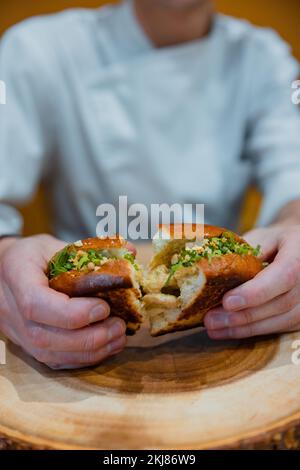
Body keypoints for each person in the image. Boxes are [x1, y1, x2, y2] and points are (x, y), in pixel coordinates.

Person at [0, 0, 300, 369]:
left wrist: (294, 231)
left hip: (219, 334)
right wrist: (4, 260)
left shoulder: (265, 60)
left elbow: (293, 168)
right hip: (62, 330)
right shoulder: (34, 50)